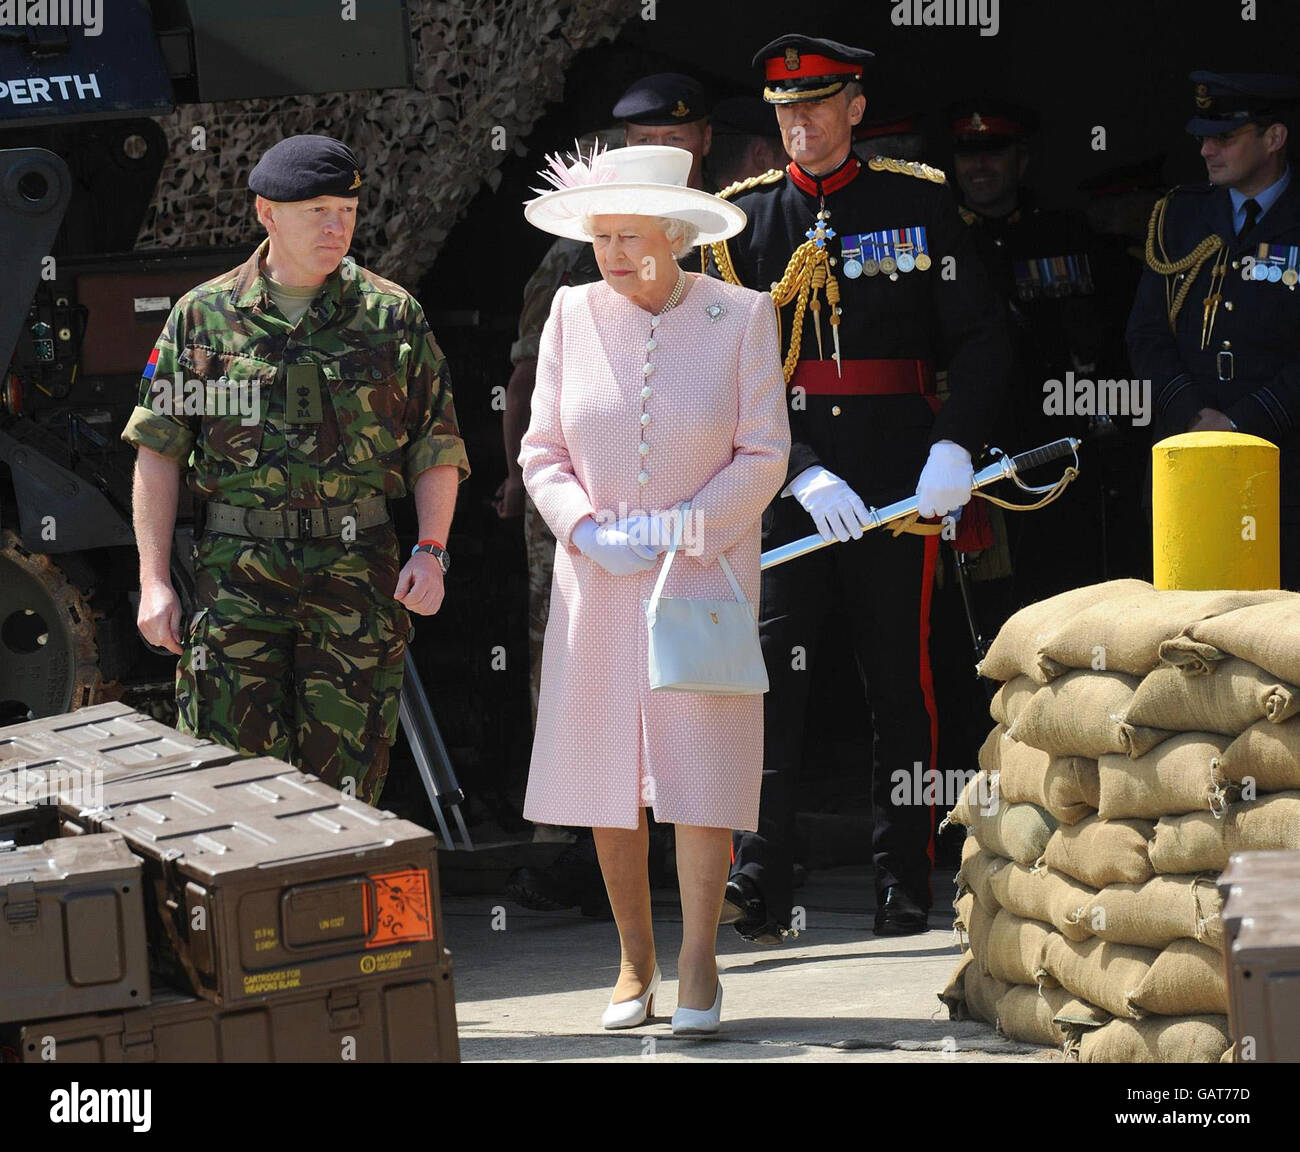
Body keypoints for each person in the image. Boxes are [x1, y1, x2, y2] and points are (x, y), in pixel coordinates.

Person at [710, 36, 1009, 940]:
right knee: (768, 682)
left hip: (897, 481)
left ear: (854, 109)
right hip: (788, 484)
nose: (797, 122)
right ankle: (758, 872)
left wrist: (953, 447)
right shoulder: (741, 225)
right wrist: (798, 467)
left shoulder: (916, 201)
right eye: (783, 108)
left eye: (816, 104)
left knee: (899, 682)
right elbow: (722, 375)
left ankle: (903, 875)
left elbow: (984, 336)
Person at [519, 143, 789, 1033]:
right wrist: (588, 528)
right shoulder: (569, 312)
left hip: (702, 577)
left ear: (675, 231)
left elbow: (764, 452)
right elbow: (541, 449)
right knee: (606, 771)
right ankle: (633, 961)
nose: (614, 254)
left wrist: (679, 529)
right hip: (597, 582)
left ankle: (699, 961)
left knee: (699, 770)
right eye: (601, 237)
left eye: (630, 236)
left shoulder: (742, 315)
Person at [123, 134, 470, 805]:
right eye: (317, 210)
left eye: (346, 208)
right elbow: (158, 451)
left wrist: (433, 549)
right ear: (267, 214)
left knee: (345, 794)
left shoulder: (391, 316)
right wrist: (153, 581)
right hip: (236, 581)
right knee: (230, 786)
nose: (336, 225)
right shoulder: (203, 319)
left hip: (354, 578)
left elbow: (437, 445)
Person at [501, 72, 717, 916]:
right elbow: (529, 381)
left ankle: (700, 839)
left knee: (702, 670)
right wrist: (525, 493)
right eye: (642, 144)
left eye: (675, 139)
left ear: (703, 143)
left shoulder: (728, 241)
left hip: (704, 503)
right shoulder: (574, 259)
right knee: (577, 665)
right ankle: (573, 842)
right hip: (587, 500)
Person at [1128, 71, 1300, 588]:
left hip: (1283, 473)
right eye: (1203, 137)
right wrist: (1194, 414)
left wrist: (1242, 422)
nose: (1206, 150)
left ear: (1273, 139)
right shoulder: (1180, 215)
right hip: (1188, 463)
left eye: (1224, 137)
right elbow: (1146, 333)